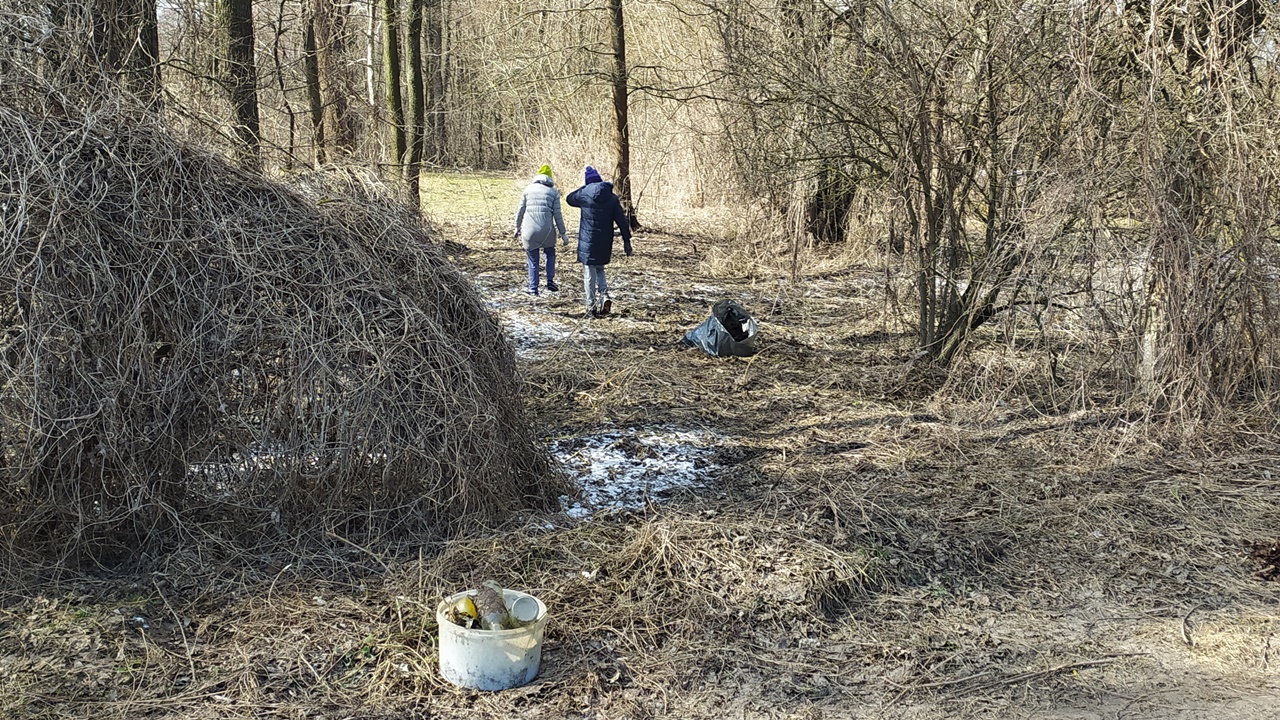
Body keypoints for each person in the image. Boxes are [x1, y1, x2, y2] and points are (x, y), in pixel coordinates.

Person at [566, 165, 632, 317]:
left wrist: (584, 187)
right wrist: (626, 241)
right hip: (605, 241)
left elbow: (569, 198)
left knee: (589, 272)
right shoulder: (612, 198)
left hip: (588, 242)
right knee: (600, 269)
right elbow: (622, 221)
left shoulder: (584, 194)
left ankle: (591, 306)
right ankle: (604, 296)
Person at [513, 164, 568, 295]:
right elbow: (558, 215)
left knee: (533, 260)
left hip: (529, 232)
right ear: (550, 178)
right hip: (547, 231)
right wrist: (563, 233)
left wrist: (517, 227)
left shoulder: (527, 190)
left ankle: (533, 289)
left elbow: (520, 211)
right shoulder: (553, 192)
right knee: (550, 253)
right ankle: (550, 281)